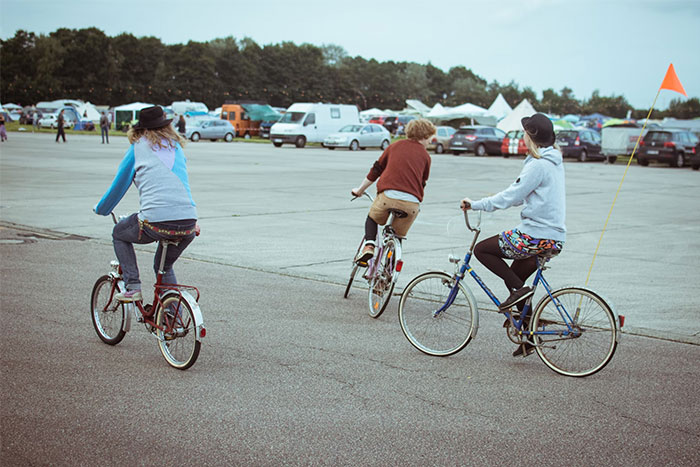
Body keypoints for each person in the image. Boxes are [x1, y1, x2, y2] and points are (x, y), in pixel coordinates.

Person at [460, 113, 565, 357]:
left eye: (525, 133)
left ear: (531, 137)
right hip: (554, 236)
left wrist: (476, 205)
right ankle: (528, 336)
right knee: (514, 278)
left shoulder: (538, 164)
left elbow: (512, 196)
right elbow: (525, 197)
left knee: (482, 250)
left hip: (535, 235)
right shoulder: (554, 162)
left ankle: (521, 294)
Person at [94, 106, 199, 302]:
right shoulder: (175, 147)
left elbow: (119, 186)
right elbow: (181, 185)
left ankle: (133, 286)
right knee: (164, 266)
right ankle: (171, 319)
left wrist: (102, 209)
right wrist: (192, 220)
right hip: (188, 222)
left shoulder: (137, 148)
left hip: (156, 221)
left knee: (119, 232)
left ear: (139, 130)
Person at [351, 118, 436, 264]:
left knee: (372, 218)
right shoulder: (426, 157)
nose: (430, 141)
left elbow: (376, 170)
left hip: (388, 197)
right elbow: (422, 183)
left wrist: (360, 190)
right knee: (397, 237)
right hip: (411, 204)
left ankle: (369, 246)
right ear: (424, 136)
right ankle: (388, 272)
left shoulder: (394, 146)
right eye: (429, 138)